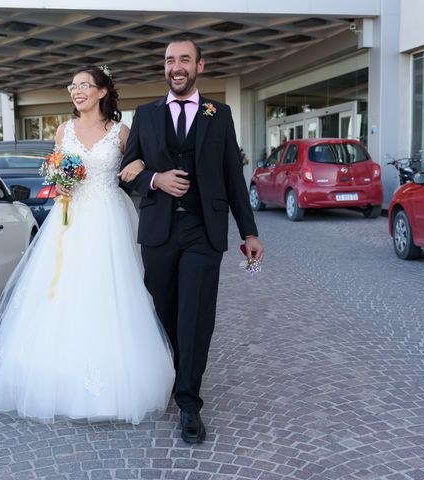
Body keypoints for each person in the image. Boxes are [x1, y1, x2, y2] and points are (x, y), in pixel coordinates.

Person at [0, 65, 175, 424]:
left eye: (85, 85)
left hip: (108, 219)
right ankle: (56, 377)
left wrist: (140, 162)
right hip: (69, 221)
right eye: (73, 85)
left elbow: (142, 165)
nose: (76, 90)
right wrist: (60, 185)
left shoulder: (120, 132)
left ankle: (116, 383)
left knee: (108, 291)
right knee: (62, 290)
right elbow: (57, 169)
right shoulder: (62, 130)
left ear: (102, 92)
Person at [119, 38, 265, 443]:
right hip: (158, 233)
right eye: (170, 60)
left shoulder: (219, 114)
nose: (176, 67)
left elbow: (234, 178)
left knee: (195, 316)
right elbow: (124, 169)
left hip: (204, 231)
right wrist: (155, 179)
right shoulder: (145, 115)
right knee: (163, 312)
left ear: (200, 64)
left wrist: (249, 232)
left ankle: (188, 402)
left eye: (184, 59)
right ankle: (170, 374)